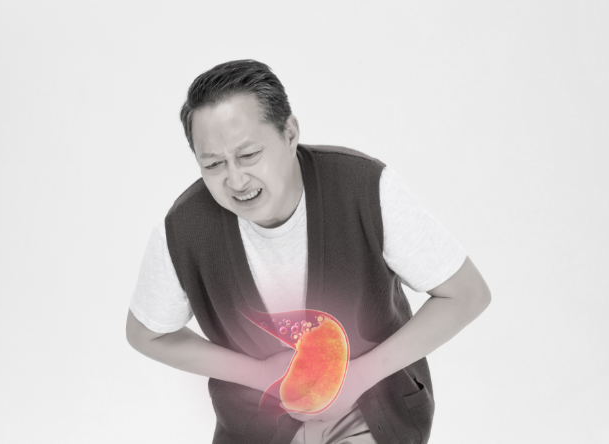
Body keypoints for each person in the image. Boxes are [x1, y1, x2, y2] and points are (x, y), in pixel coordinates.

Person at [125, 59, 491, 444]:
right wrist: (258, 374)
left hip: (370, 409)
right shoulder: (183, 229)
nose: (235, 179)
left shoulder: (365, 188)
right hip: (256, 428)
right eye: (214, 164)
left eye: (249, 155)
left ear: (290, 133)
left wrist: (358, 377)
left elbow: (467, 294)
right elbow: (146, 334)